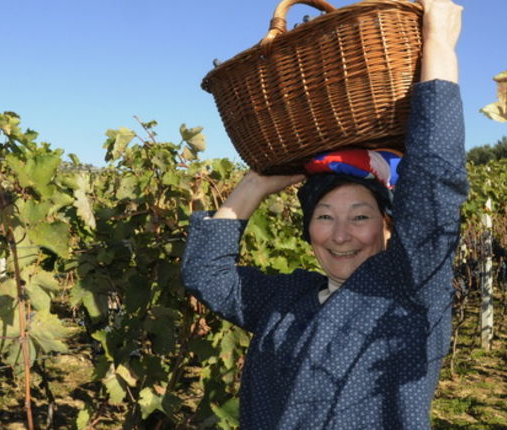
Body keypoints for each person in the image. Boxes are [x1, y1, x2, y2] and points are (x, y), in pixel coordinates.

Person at [181, 0, 466, 428]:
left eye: (361, 216)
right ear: (309, 228)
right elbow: (206, 273)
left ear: (390, 225)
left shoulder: (409, 294)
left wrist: (438, 43)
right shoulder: (286, 299)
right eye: (325, 216)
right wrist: (255, 184)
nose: (340, 234)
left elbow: (433, 183)